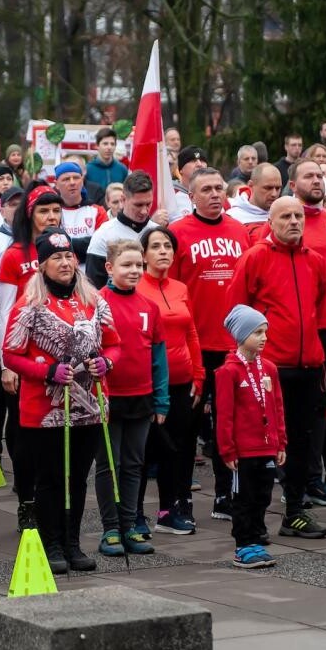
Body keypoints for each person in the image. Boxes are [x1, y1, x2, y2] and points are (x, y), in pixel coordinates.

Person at [2, 229, 120, 574]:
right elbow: (11, 354)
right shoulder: (30, 305)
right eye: (56, 257)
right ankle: (50, 542)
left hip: (90, 405)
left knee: (77, 477)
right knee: (51, 478)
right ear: (41, 266)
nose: (65, 262)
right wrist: (47, 372)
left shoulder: (95, 300)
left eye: (69, 256)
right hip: (46, 409)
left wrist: (106, 362)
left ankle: (72, 542)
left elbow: (114, 344)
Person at [227, 195, 326, 538]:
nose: (294, 222)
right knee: (265, 443)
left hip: (307, 365)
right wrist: (246, 361)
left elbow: (319, 305)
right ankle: (253, 517)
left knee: (302, 441)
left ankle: (295, 511)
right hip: (271, 367)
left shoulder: (314, 261)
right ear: (270, 222)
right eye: (285, 216)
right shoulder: (255, 257)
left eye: (298, 215)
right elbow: (236, 310)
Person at [170, 168, 250, 521]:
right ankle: (180, 499)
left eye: (220, 188)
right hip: (195, 345)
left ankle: (225, 496)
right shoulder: (177, 233)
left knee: (229, 424)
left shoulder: (238, 230)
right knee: (186, 429)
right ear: (192, 196)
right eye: (207, 189)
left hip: (232, 343)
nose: (216, 194)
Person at [0, 184, 64, 528]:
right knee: (23, 434)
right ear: (29, 215)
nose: (51, 217)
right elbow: (5, 311)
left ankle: (52, 500)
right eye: (43, 211)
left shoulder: (65, 250)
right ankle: (27, 501)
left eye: (55, 211)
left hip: (60, 362)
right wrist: (5, 364)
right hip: (23, 360)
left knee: (54, 435)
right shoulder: (14, 255)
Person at [95, 240, 167, 557]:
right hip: (108, 399)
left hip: (141, 397)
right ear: (110, 268)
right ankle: (110, 529)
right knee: (109, 465)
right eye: (127, 265)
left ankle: (130, 525)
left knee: (134, 464)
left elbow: (158, 357)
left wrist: (161, 399)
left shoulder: (150, 307)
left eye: (138, 264)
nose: (134, 270)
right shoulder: (97, 303)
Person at [137, 226, 203, 534]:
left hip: (182, 383)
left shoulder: (179, 288)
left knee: (175, 450)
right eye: (156, 246)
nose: (164, 251)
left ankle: (168, 510)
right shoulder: (136, 288)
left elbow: (191, 332)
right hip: (150, 386)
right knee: (144, 451)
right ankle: (134, 514)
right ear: (144, 254)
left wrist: (199, 375)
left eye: (168, 246)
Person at [216, 305, 286, 568]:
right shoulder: (228, 372)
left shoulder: (269, 368)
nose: (264, 338)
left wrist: (281, 441)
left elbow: (277, 407)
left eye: (265, 332)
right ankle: (243, 545)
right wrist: (227, 450)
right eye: (257, 332)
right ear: (241, 335)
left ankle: (256, 539)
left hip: (266, 447)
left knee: (262, 496)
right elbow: (225, 415)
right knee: (243, 498)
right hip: (243, 451)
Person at [85, 171, 161, 288]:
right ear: (123, 199)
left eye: (148, 204)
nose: (144, 211)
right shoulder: (104, 234)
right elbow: (93, 286)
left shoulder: (158, 232)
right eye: (138, 205)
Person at [53, 161, 108, 265]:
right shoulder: (52, 212)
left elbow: (102, 244)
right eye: (66, 179)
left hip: (90, 274)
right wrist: (85, 244)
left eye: (76, 178)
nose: (72, 182)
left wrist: (67, 243)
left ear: (82, 180)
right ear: (56, 184)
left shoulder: (98, 211)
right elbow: (50, 245)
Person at [226, 163, 282, 241]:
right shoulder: (232, 217)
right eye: (268, 188)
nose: (274, 194)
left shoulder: (286, 214)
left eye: (278, 188)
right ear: (251, 185)